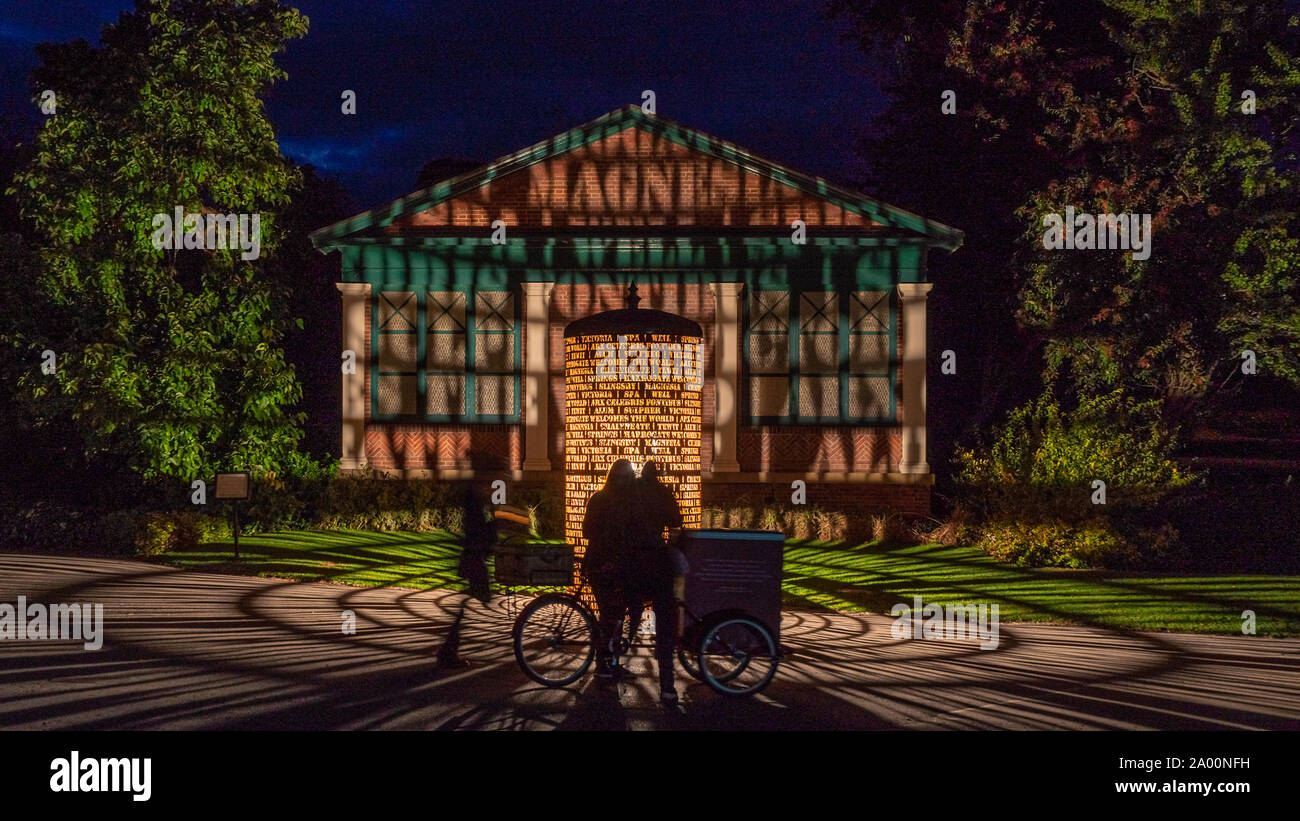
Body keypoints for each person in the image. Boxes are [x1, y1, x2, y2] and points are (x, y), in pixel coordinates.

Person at [582, 459, 641, 681]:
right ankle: (605, 664)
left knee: (612, 613)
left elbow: (586, 531)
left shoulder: (599, 497)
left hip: (597, 562)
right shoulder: (624, 502)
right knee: (612, 614)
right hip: (608, 564)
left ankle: (609, 661)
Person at [633, 461, 684, 706]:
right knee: (664, 624)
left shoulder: (632, 492)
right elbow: (676, 522)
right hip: (657, 562)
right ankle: (667, 687)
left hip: (632, 561)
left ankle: (611, 660)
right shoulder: (663, 493)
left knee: (628, 608)